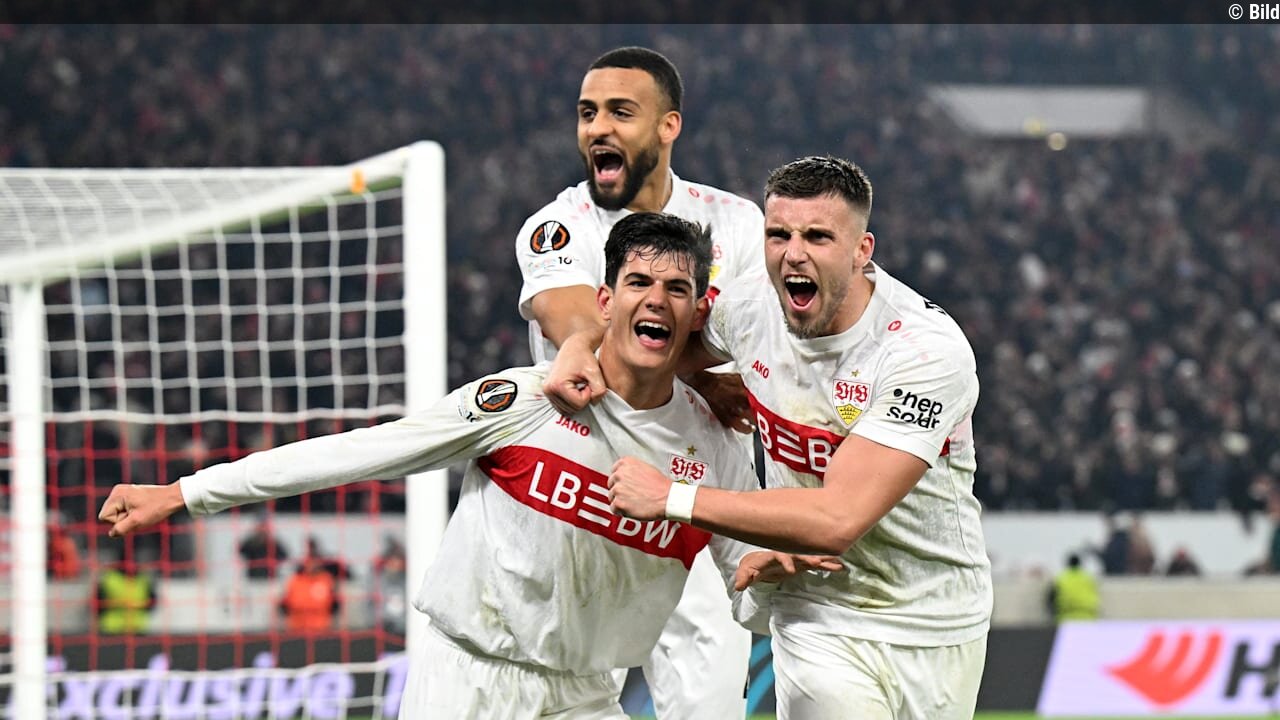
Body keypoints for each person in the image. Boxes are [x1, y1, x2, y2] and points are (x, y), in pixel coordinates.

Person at [99, 213, 840, 719]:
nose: (658, 300)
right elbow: (360, 452)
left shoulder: (713, 443)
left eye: (677, 288)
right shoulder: (526, 400)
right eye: (640, 283)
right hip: (466, 679)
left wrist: (783, 563)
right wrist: (188, 492)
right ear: (606, 301)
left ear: (697, 311)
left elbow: (744, 569)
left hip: (585, 693)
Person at [546, 156, 992, 719]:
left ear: (862, 250)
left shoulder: (922, 352)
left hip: (934, 617)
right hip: (814, 608)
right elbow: (649, 348)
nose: (792, 254)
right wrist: (582, 346)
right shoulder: (749, 306)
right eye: (778, 234)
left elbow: (838, 519)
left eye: (817, 237)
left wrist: (671, 497)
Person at [515, 45, 765, 719]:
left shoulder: (737, 224)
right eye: (587, 113)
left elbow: (759, 345)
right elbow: (581, 327)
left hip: (689, 493)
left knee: (710, 705)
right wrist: (701, 376)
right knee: (563, 702)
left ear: (668, 125)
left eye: (620, 112)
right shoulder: (558, 227)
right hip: (575, 496)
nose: (598, 127)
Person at [279, 554, 342, 632]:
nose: (313, 565)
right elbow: (283, 605)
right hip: (297, 628)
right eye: (310, 562)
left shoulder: (326, 580)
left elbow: (335, 605)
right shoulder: (295, 581)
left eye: (315, 562)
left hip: (321, 629)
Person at [95, 557, 158, 635]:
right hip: (111, 628)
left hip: (137, 628)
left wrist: (138, 605)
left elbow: (152, 602)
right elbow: (97, 603)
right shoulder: (109, 578)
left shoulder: (144, 579)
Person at [236, 511, 290, 580]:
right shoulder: (252, 542)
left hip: (270, 578)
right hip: (254, 577)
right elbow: (241, 551)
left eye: (264, 527)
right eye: (261, 527)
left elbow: (284, 555)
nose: (262, 529)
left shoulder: (273, 543)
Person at [1047, 553, 1100, 621]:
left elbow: (1051, 599)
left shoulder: (1060, 578)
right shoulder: (1088, 578)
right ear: (1080, 564)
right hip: (1087, 616)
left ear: (1068, 564)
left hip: (1066, 617)